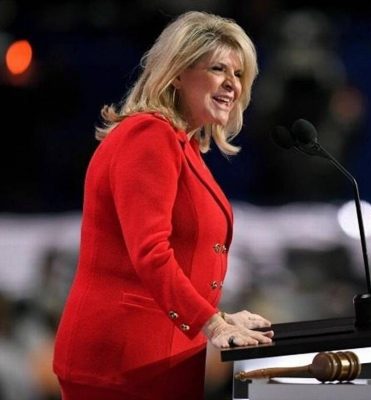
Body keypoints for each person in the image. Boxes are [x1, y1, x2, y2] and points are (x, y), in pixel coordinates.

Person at [53, 11, 274, 400]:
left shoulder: (182, 144)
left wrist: (219, 317)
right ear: (177, 73)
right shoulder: (148, 136)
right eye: (218, 69)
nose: (232, 84)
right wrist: (212, 324)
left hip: (159, 356)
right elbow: (150, 252)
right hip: (122, 360)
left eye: (239, 74)